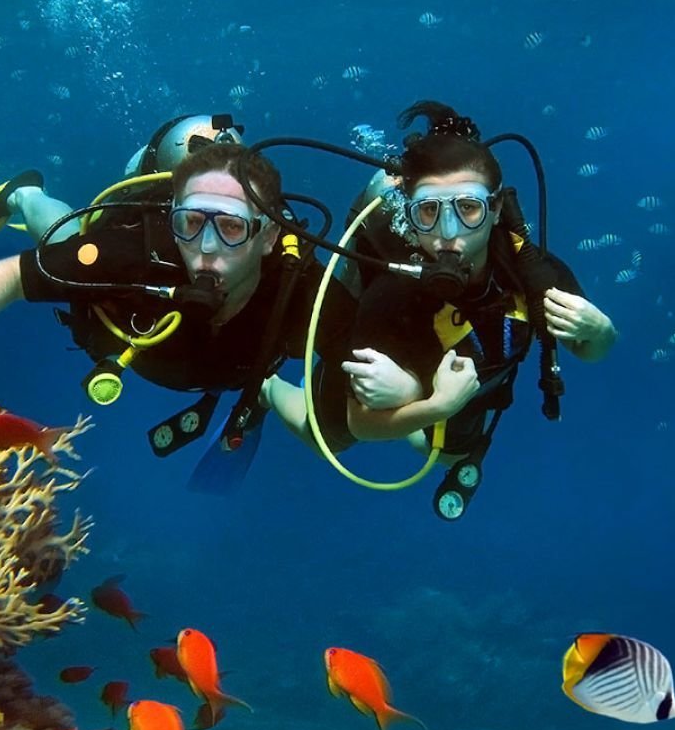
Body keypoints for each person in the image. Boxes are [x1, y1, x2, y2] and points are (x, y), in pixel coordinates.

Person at [0, 142, 353, 485]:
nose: (207, 249)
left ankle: (265, 390)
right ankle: (25, 194)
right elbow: (14, 277)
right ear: (174, 217)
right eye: (191, 223)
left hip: (237, 369)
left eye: (231, 227)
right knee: (64, 241)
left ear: (269, 235)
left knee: (322, 428)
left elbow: (364, 375)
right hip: (120, 330)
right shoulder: (134, 253)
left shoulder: (301, 286)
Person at [263, 100, 616, 520]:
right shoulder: (390, 295)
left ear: (497, 207)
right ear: (410, 216)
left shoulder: (534, 273)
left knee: (451, 455)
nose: (449, 236)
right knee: (327, 438)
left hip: (468, 392)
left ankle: (419, 410)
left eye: (468, 208)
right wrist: (434, 407)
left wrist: (602, 330)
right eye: (429, 212)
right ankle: (267, 388)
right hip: (416, 382)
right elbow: (360, 424)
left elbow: (590, 349)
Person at [0, 113, 247, 253]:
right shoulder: (137, 221)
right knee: (68, 239)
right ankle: (26, 195)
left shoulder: (272, 228)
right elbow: (19, 276)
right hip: (136, 198)